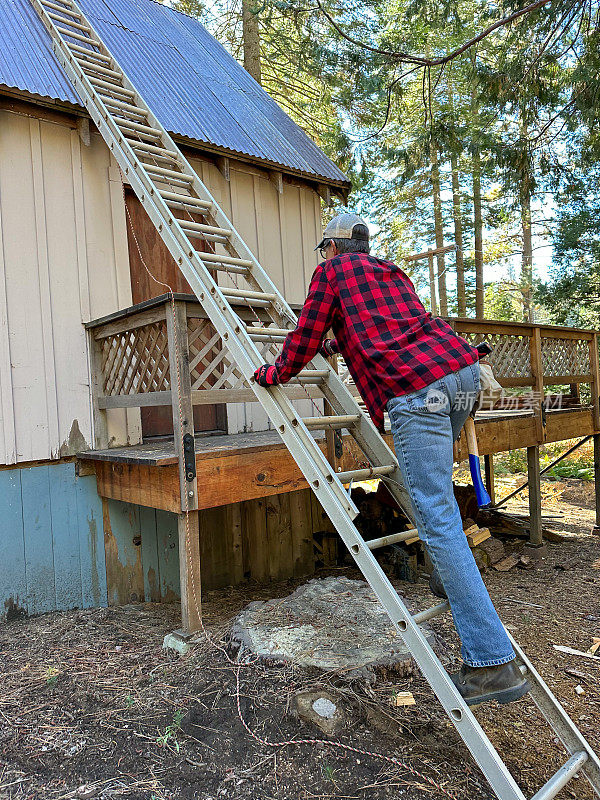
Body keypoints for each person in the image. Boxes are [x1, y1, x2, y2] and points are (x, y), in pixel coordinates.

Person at [253, 212, 530, 706]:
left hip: (416, 392)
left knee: (437, 517)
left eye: (324, 250)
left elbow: (305, 336)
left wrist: (273, 372)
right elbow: (392, 328)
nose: (323, 258)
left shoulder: (331, 275)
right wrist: (340, 341)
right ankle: (450, 577)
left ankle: (492, 665)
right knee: (437, 502)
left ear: (334, 249)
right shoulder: (389, 271)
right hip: (459, 374)